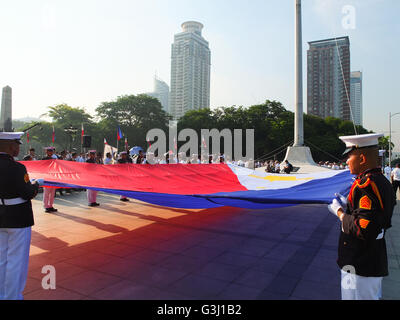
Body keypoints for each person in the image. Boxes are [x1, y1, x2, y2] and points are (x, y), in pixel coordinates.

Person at [328, 133, 396, 300]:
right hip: (366, 259)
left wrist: (340, 213)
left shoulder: (366, 185)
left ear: (362, 158)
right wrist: (350, 206)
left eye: (349, 157)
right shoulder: (381, 181)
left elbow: (364, 229)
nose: (346, 162)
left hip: (360, 262)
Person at [0, 132, 41, 300]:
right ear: (11, 147)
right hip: (18, 218)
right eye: (17, 145)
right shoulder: (18, 168)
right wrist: (36, 185)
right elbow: (27, 193)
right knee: (17, 260)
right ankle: (13, 296)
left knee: (1, 259)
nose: (18, 148)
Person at [41, 147, 58, 213]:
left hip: (53, 177)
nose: (50, 152)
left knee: (52, 193)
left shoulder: (54, 159)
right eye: (49, 151)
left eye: (51, 151)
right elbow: (42, 167)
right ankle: (46, 206)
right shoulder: (44, 159)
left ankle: (50, 205)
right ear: (46, 152)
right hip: (46, 177)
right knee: (46, 193)